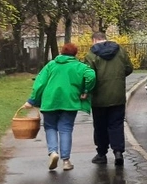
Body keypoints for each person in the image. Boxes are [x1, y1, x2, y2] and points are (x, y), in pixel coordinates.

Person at [24, 43, 96, 172]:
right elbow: (91, 75)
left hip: (50, 101)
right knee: (66, 129)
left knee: (50, 127)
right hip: (69, 102)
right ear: (75, 54)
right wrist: (86, 89)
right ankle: (66, 161)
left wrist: (32, 100)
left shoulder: (51, 65)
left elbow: (40, 83)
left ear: (61, 52)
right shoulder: (79, 66)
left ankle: (53, 152)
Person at [85, 31, 134, 166]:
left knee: (100, 126)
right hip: (118, 96)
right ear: (104, 39)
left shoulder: (91, 55)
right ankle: (118, 152)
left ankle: (101, 154)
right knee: (116, 124)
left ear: (94, 40)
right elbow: (129, 68)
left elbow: (89, 76)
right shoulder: (120, 51)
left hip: (99, 98)